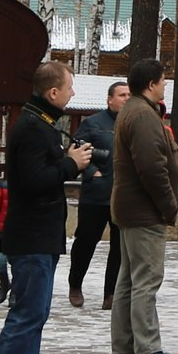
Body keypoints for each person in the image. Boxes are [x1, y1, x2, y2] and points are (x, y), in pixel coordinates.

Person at [0, 60, 93, 354]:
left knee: (36, 315)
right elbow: (30, 180)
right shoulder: (30, 127)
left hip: (42, 236)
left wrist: (67, 158)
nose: (72, 93)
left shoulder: (41, 124)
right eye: (69, 87)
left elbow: (43, 170)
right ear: (53, 92)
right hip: (30, 238)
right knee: (25, 315)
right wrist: (71, 164)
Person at [109, 57, 178, 354]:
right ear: (151, 84)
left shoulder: (135, 111)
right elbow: (152, 168)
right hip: (144, 211)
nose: (165, 84)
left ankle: (125, 346)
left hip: (131, 209)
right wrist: (168, 204)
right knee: (146, 281)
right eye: (164, 80)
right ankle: (147, 349)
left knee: (128, 279)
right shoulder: (142, 115)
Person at [69, 79, 127, 309]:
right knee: (85, 242)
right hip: (96, 195)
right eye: (122, 95)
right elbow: (76, 149)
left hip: (123, 196)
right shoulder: (93, 123)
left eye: (129, 95)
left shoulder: (133, 124)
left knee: (119, 248)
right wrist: (92, 172)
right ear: (110, 99)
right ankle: (75, 285)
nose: (126, 99)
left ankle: (110, 294)